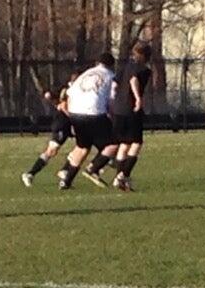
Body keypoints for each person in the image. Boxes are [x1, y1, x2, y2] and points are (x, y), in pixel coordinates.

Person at [84, 40, 154, 191]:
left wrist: (114, 102)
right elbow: (133, 80)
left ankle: (117, 178)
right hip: (131, 109)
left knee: (123, 144)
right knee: (136, 143)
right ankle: (122, 175)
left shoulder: (124, 67)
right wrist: (138, 98)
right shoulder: (143, 70)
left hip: (118, 109)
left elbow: (114, 85)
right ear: (145, 56)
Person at [55, 53, 118, 190]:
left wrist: (72, 117)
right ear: (112, 65)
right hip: (94, 113)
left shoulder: (85, 74)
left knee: (83, 147)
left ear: (97, 63)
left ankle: (66, 181)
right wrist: (112, 118)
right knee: (114, 143)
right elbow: (111, 100)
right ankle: (93, 169)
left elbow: (69, 95)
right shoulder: (110, 76)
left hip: (76, 113)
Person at [21, 79, 75, 187]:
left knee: (82, 145)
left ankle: (65, 170)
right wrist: (72, 117)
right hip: (62, 123)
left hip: (68, 123)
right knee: (52, 150)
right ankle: (30, 174)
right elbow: (52, 97)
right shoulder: (70, 89)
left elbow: (49, 95)